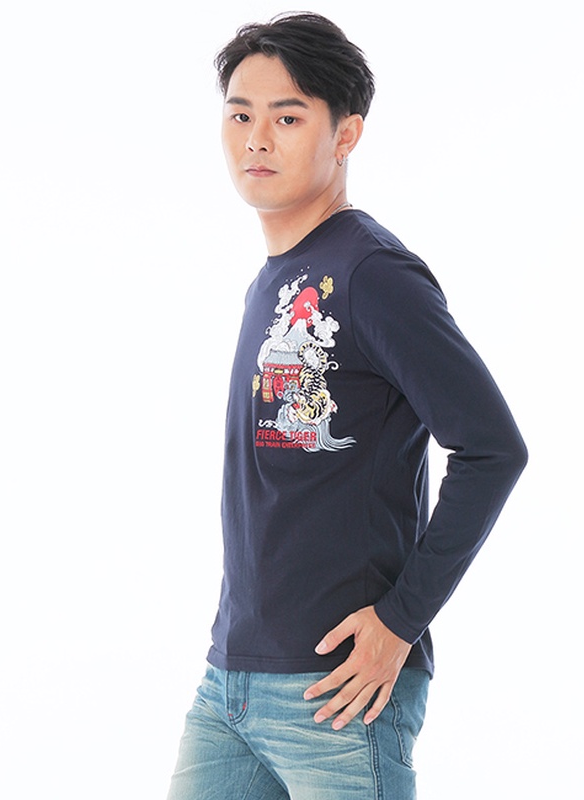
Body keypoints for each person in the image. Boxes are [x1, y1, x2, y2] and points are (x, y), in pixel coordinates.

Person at [167, 12, 527, 799]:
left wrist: (400, 622)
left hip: (337, 694)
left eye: (288, 117)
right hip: (230, 683)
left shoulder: (374, 274)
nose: (257, 139)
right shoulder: (271, 281)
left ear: (347, 134)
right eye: (240, 115)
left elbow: (493, 449)